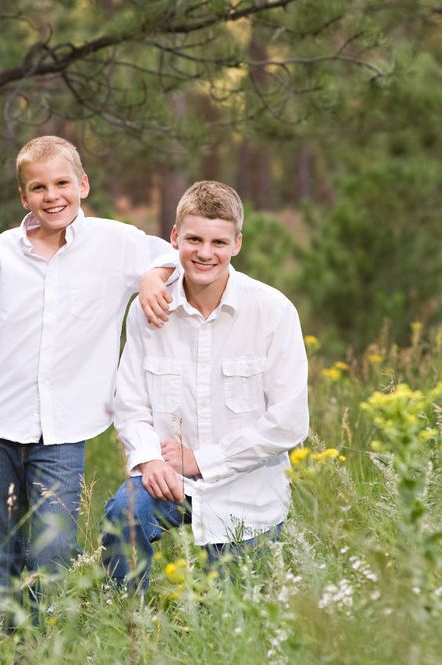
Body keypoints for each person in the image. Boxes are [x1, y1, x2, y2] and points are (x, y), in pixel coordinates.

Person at [0, 136, 175, 623]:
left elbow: (164, 254)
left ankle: (46, 644)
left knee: (51, 549)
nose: (53, 196)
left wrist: (151, 276)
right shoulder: (4, 252)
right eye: (38, 187)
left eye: (62, 183)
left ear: (83, 185)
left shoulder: (113, 242)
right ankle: (1, 650)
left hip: (64, 430)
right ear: (24, 198)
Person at [102, 180, 309, 589]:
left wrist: (202, 460)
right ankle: (128, 630)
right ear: (175, 237)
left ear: (237, 244)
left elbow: (288, 421)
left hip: (248, 493)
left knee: (236, 616)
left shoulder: (272, 311)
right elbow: (129, 402)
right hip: (168, 481)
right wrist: (149, 460)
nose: (204, 253)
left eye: (218, 242)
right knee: (124, 515)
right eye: (194, 239)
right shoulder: (149, 310)